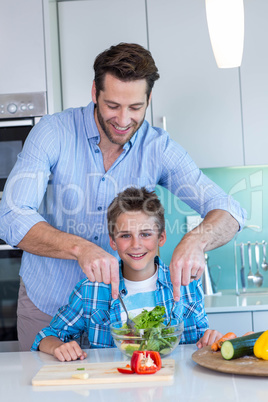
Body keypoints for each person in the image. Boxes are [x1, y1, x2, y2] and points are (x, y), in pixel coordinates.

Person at [0, 43, 245, 351]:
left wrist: (196, 240)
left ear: (148, 100)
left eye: (135, 108)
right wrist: (80, 248)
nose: (124, 120)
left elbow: (230, 210)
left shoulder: (158, 147)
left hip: (118, 319)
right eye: (113, 106)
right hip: (46, 304)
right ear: (94, 92)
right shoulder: (53, 132)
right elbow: (11, 216)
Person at [31, 187, 222, 361]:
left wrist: (210, 339)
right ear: (113, 241)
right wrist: (58, 347)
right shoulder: (91, 289)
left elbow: (200, 341)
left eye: (145, 234)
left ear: (161, 237)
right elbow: (46, 336)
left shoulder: (186, 285)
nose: (136, 244)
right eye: (125, 235)